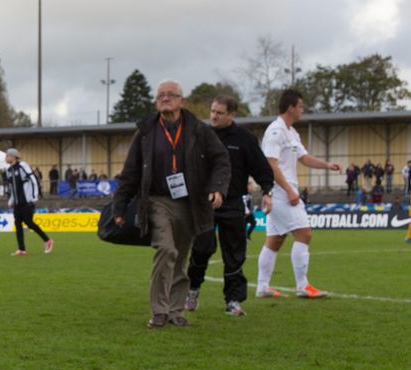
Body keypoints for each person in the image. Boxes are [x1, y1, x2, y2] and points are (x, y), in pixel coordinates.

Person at [112, 79, 230, 329]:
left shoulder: (199, 130)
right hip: (157, 201)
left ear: (181, 100)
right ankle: (159, 310)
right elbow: (130, 172)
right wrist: (120, 206)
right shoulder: (145, 133)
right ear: (156, 103)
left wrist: (217, 188)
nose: (165, 98)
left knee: (180, 258)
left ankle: (176, 311)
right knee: (166, 249)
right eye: (161, 95)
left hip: (189, 203)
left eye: (171, 95)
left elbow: (221, 159)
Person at [184, 95, 275, 317]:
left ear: (232, 115)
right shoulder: (199, 135)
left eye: (219, 113)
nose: (213, 116)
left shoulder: (244, 139)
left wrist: (267, 191)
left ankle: (233, 300)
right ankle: (192, 290)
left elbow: (262, 168)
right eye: (212, 111)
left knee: (234, 253)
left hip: (234, 202)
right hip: (204, 203)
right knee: (202, 249)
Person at [255, 89, 341, 300]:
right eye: (301, 106)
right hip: (280, 192)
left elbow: (305, 158)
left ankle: (262, 287)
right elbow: (270, 164)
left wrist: (327, 165)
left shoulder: (291, 132)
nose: (303, 109)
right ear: (291, 107)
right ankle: (302, 285)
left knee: (274, 240)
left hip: (283, 191)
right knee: (304, 234)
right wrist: (290, 190)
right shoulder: (275, 131)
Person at [4, 148, 52, 256]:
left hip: (27, 201)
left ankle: (47, 240)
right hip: (17, 203)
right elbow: (13, 188)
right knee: (18, 224)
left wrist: (35, 196)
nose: (6, 158)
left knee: (29, 223)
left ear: (13, 156)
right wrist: (11, 200)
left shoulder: (23, 165)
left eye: (7, 155)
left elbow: (33, 180)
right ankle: (21, 249)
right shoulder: (8, 171)